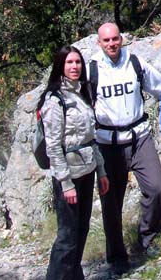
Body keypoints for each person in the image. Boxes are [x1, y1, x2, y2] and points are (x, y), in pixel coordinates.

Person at [90, 22, 161, 276]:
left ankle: (146, 238)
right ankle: (117, 256)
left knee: (157, 189)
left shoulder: (135, 63)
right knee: (111, 202)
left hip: (139, 137)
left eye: (115, 39)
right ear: (99, 43)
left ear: (121, 38)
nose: (112, 44)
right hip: (107, 144)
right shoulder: (92, 70)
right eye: (106, 40)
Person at [39, 46, 109, 280]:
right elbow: (53, 146)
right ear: (60, 65)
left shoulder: (80, 94)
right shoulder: (54, 100)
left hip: (87, 170)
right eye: (69, 62)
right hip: (68, 176)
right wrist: (66, 183)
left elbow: (91, 138)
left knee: (81, 231)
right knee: (67, 236)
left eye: (78, 62)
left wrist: (102, 171)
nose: (74, 67)